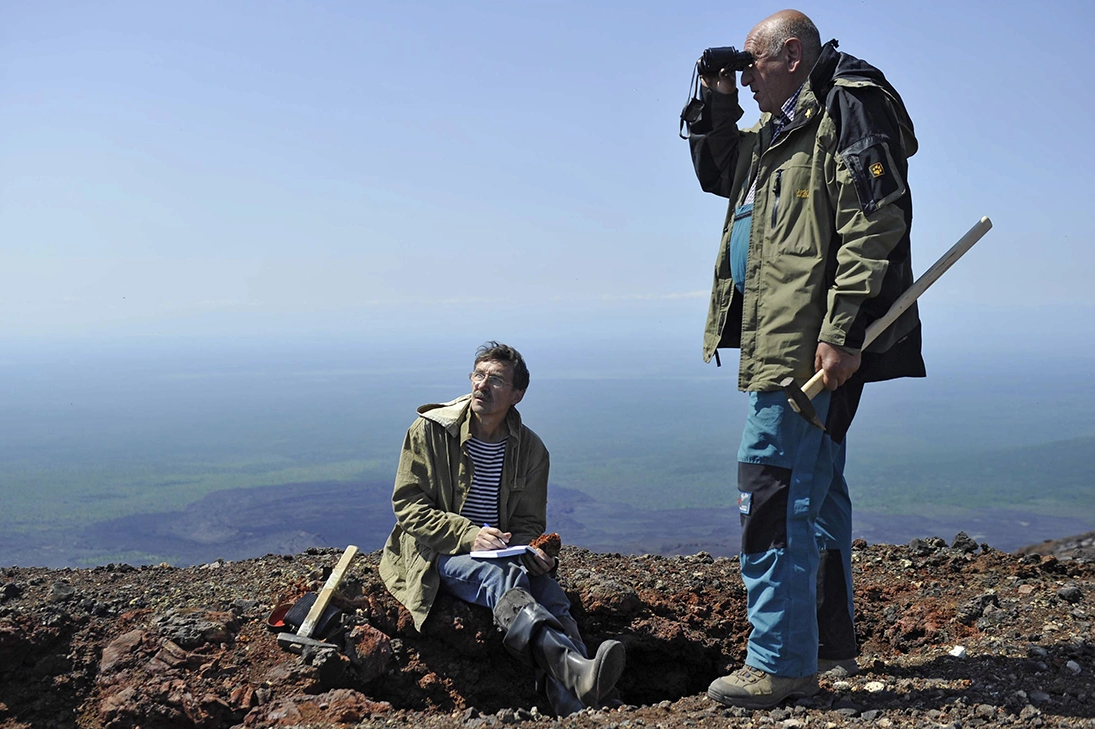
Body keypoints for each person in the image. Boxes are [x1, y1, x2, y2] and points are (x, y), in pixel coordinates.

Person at [681, 10, 925, 709]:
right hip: (783, 337)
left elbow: (873, 219)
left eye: (752, 61)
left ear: (791, 53)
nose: (747, 72)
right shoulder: (782, 130)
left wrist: (843, 329)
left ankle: (780, 661)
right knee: (815, 492)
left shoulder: (845, 104)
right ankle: (825, 645)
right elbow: (718, 168)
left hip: (806, 346)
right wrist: (717, 98)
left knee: (771, 486)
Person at [378, 341, 625, 716]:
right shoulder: (429, 431)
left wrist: (532, 551)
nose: (482, 385)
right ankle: (579, 678)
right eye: (478, 375)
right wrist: (467, 534)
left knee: (551, 595)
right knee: (503, 580)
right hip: (436, 553)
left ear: (517, 395)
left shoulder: (532, 450)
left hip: (501, 552)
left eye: (495, 380)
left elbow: (527, 523)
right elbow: (408, 506)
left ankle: (574, 700)